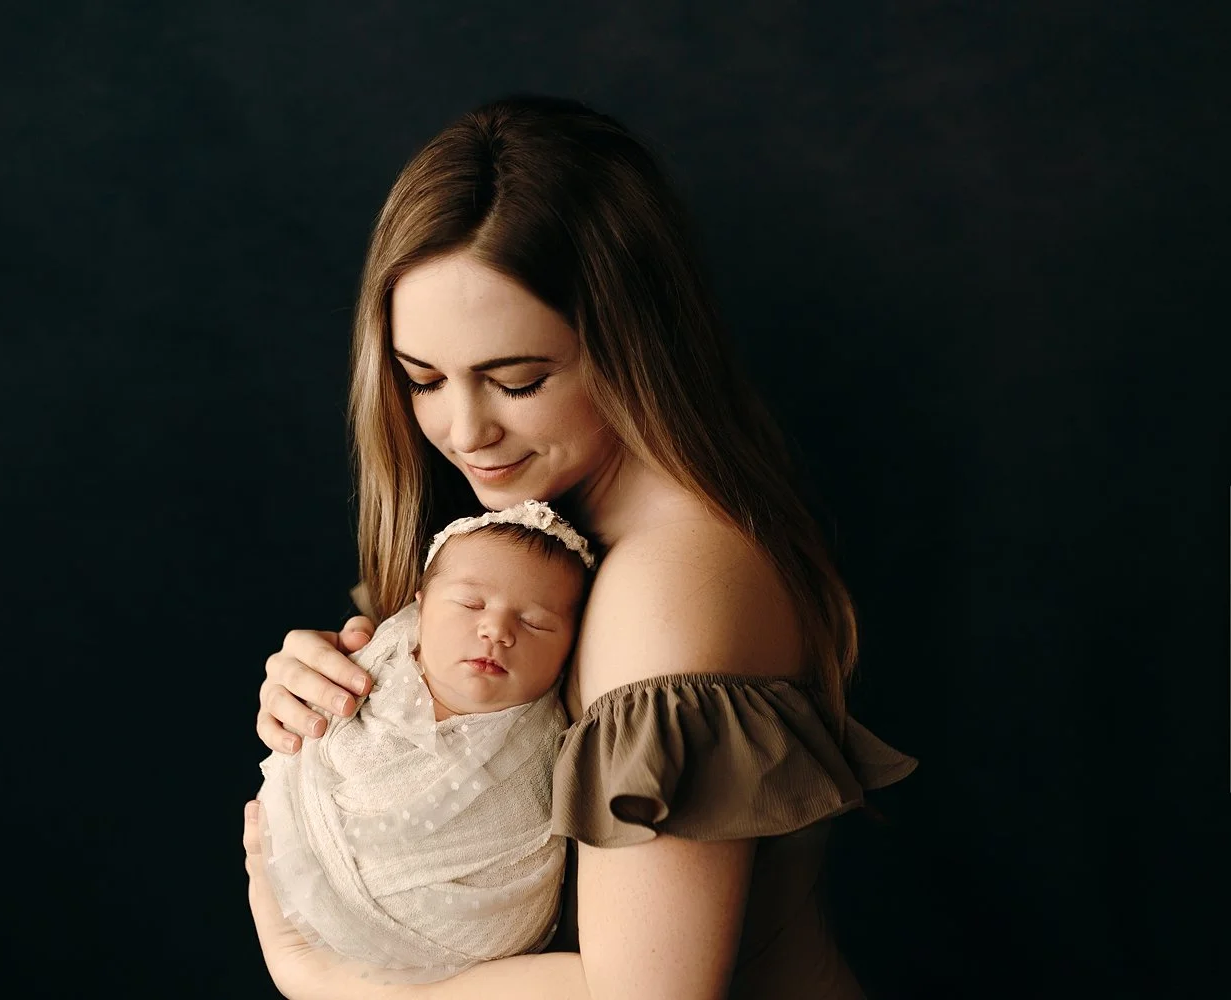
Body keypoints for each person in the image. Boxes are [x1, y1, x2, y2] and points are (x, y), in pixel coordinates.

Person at [244, 94, 917, 999]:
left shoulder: (665, 588)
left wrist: (327, 980)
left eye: (518, 380)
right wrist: (344, 723)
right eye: (424, 380)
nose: (464, 431)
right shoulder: (539, 535)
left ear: (634, 346)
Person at [256, 500, 594, 980]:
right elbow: (312, 749)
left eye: (535, 622)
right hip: (318, 896)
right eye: (471, 605)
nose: (496, 630)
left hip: (482, 956)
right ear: (420, 608)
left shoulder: (550, 742)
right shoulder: (373, 672)